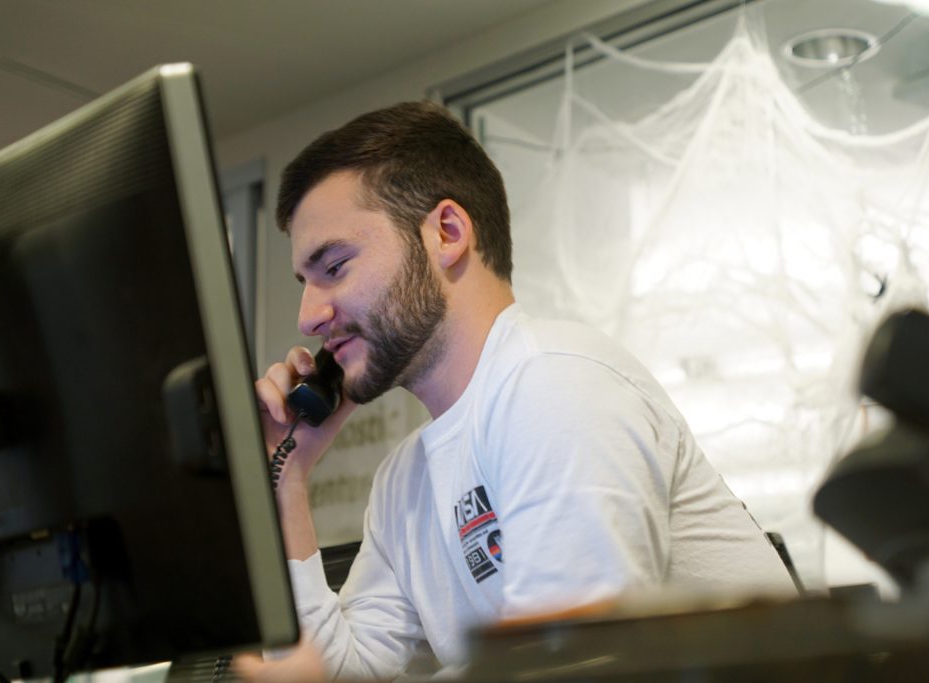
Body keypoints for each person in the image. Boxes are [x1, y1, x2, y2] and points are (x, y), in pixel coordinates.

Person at [251, 101, 796, 680]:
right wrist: (284, 479)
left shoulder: (554, 386)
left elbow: (571, 667)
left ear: (448, 233)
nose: (310, 316)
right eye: (304, 283)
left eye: (334, 267)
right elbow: (334, 674)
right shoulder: (403, 486)